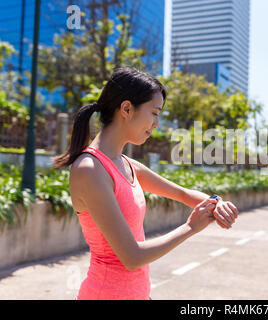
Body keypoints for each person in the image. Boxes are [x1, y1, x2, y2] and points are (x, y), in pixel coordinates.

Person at [52, 67, 239, 300]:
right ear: (127, 109)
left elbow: (181, 193)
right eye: (154, 113)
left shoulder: (127, 165)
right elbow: (132, 257)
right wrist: (190, 227)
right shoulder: (90, 170)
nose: (156, 123)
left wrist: (216, 203)